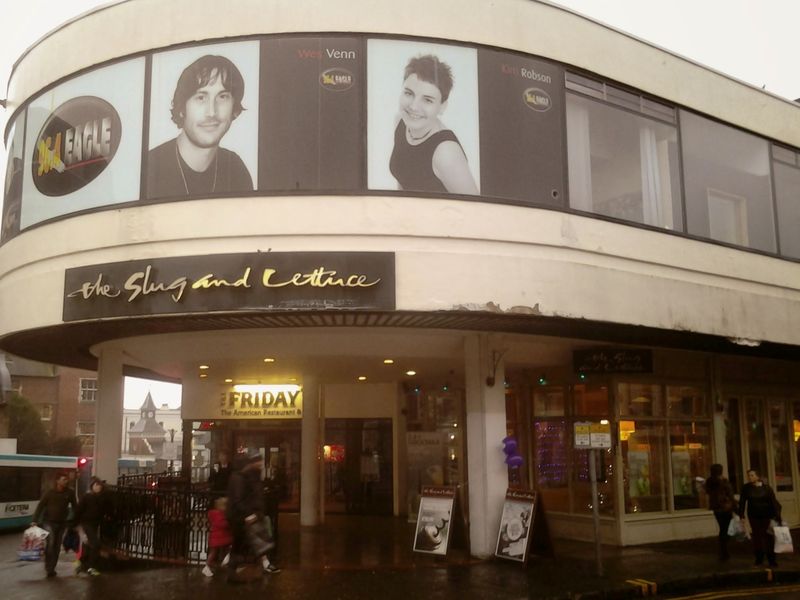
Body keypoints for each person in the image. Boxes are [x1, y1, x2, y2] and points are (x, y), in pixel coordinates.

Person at [147, 54, 253, 199]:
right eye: (201, 97)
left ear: (234, 107)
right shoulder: (150, 168)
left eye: (222, 97)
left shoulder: (235, 170)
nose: (211, 112)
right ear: (182, 108)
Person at [389, 54, 479, 195]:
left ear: (442, 106)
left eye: (428, 100)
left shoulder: (446, 152)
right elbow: (404, 178)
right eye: (408, 93)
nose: (414, 106)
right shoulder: (400, 122)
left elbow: (475, 209)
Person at [225, 451, 276, 582]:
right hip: (240, 517)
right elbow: (239, 500)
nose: (259, 463)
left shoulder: (244, 476)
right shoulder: (239, 477)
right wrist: (249, 514)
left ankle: (235, 569)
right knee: (241, 543)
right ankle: (234, 570)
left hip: (242, 516)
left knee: (242, 543)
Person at [31, 471, 78, 578]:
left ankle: (52, 568)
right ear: (57, 481)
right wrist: (35, 520)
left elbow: (75, 507)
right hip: (48, 522)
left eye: (66, 479)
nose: (66, 481)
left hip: (62, 523)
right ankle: (48, 567)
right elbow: (40, 506)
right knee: (51, 544)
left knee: (57, 546)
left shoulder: (70, 493)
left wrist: (75, 521)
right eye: (63, 479)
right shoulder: (50, 493)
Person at [738, 468, 782, 567]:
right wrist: (741, 515)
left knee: (769, 537)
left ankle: (772, 560)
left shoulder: (767, 488)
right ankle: (759, 559)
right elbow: (742, 502)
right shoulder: (746, 488)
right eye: (749, 476)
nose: (750, 477)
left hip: (767, 515)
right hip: (754, 516)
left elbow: (773, 502)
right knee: (757, 538)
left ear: (758, 476)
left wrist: (777, 516)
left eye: (752, 475)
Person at [74, 477, 107, 576]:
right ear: (92, 486)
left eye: (100, 486)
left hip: (94, 524)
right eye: (96, 486)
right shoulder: (86, 497)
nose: (98, 488)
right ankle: (90, 567)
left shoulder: (99, 498)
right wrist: (75, 524)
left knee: (88, 544)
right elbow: (78, 511)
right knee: (96, 544)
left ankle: (81, 563)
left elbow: (101, 512)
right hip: (86, 524)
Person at [704, 464, 735, 561]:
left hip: (716, 508)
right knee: (726, 529)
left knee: (722, 528)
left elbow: (707, 492)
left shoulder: (709, 482)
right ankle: (724, 551)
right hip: (725, 508)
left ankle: (723, 551)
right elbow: (730, 493)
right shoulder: (723, 481)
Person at [202, 496, 233, 577]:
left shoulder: (216, 514)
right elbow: (222, 524)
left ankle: (222, 563)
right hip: (219, 537)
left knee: (217, 551)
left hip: (219, 537)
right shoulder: (219, 515)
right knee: (214, 552)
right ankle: (207, 566)